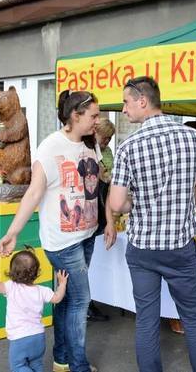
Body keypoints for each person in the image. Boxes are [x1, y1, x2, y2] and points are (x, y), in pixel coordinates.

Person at [108, 76, 196, 372]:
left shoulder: (128, 147)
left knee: (146, 320)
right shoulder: (195, 138)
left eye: (126, 102)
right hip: (180, 247)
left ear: (142, 101)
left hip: (143, 249)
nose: (123, 109)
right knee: (194, 317)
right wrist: (183, 196)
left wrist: (138, 202)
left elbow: (116, 204)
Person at [0, 90, 110, 372]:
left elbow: (98, 184)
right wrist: (13, 232)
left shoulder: (91, 144)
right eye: (94, 115)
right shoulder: (50, 147)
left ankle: (62, 358)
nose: (98, 120)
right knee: (81, 300)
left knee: (68, 299)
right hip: (63, 241)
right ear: (75, 115)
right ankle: (78, 366)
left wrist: (108, 218)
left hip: (87, 234)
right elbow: (34, 193)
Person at [0, 249, 68, 372]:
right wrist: (62, 284)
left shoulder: (11, 287)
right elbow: (57, 298)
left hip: (19, 339)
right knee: (36, 365)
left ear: (12, 271)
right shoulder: (42, 290)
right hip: (38, 337)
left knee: (18, 367)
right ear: (37, 272)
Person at [86, 116, 116, 322]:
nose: (107, 142)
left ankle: (90, 301)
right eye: (105, 137)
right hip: (90, 207)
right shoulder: (87, 150)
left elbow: (109, 177)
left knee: (93, 260)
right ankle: (85, 304)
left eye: (109, 139)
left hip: (102, 204)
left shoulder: (107, 152)